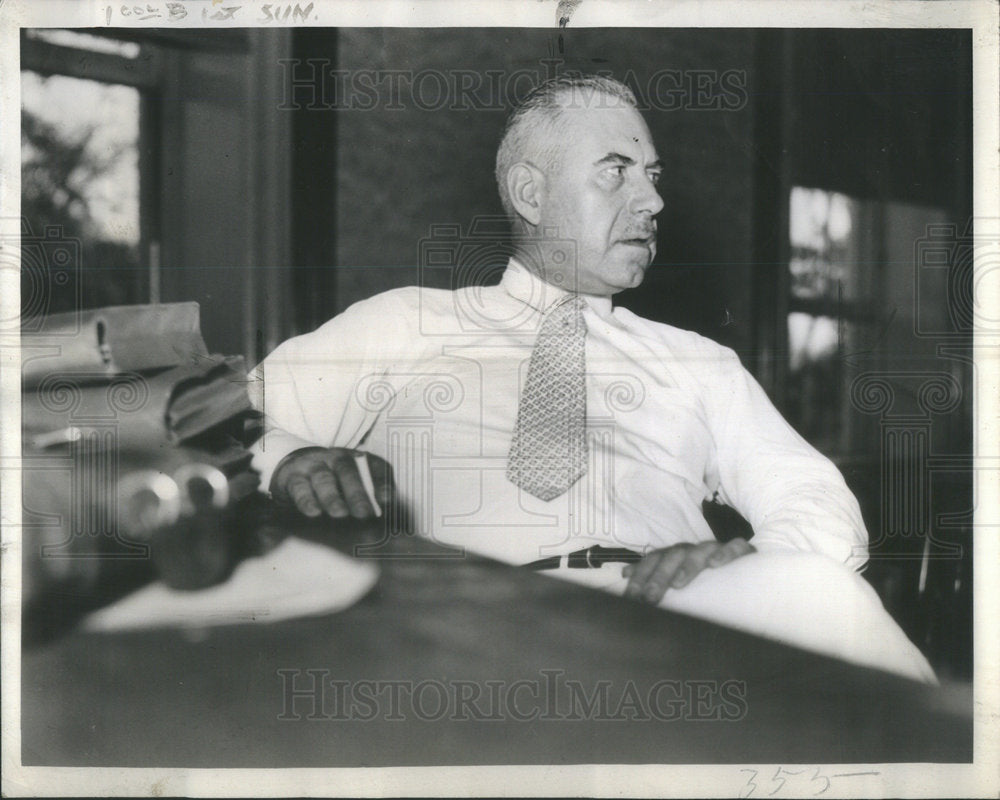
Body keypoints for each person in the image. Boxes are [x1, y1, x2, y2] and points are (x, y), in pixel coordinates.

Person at [249, 74, 935, 683]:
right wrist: (291, 459)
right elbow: (228, 421)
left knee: (825, 597)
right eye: (617, 171)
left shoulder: (697, 362)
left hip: (670, 617)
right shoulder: (408, 321)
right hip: (469, 623)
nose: (652, 201)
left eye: (654, 175)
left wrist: (746, 558)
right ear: (530, 192)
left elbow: (815, 498)